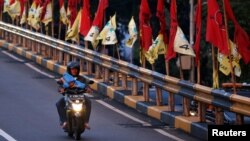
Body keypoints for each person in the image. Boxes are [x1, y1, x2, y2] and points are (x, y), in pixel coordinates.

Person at [56, 61, 92, 130]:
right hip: (68, 96)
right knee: (59, 104)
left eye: (76, 69)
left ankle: (86, 122)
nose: (74, 71)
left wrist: (88, 89)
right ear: (69, 70)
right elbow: (60, 85)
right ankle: (64, 121)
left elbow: (87, 86)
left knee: (89, 102)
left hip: (80, 96)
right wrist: (61, 89)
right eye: (72, 69)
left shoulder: (82, 79)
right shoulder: (65, 78)